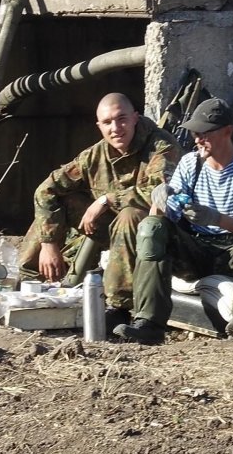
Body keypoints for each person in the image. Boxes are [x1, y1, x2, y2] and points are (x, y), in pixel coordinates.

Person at [113, 97, 233, 344]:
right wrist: (160, 201)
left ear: (227, 131)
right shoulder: (190, 163)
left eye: (205, 133)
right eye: (195, 133)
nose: (198, 140)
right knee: (150, 227)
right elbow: (165, 217)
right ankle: (148, 322)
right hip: (196, 248)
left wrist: (217, 218)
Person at [18, 93, 182, 326]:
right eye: (107, 122)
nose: (115, 128)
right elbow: (46, 190)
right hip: (110, 231)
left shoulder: (161, 146)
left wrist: (106, 200)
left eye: (122, 119)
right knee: (65, 200)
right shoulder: (95, 155)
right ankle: (29, 282)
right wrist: (48, 243)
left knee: (129, 214)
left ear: (135, 118)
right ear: (99, 126)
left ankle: (120, 306)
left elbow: (160, 193)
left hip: (154, 235)